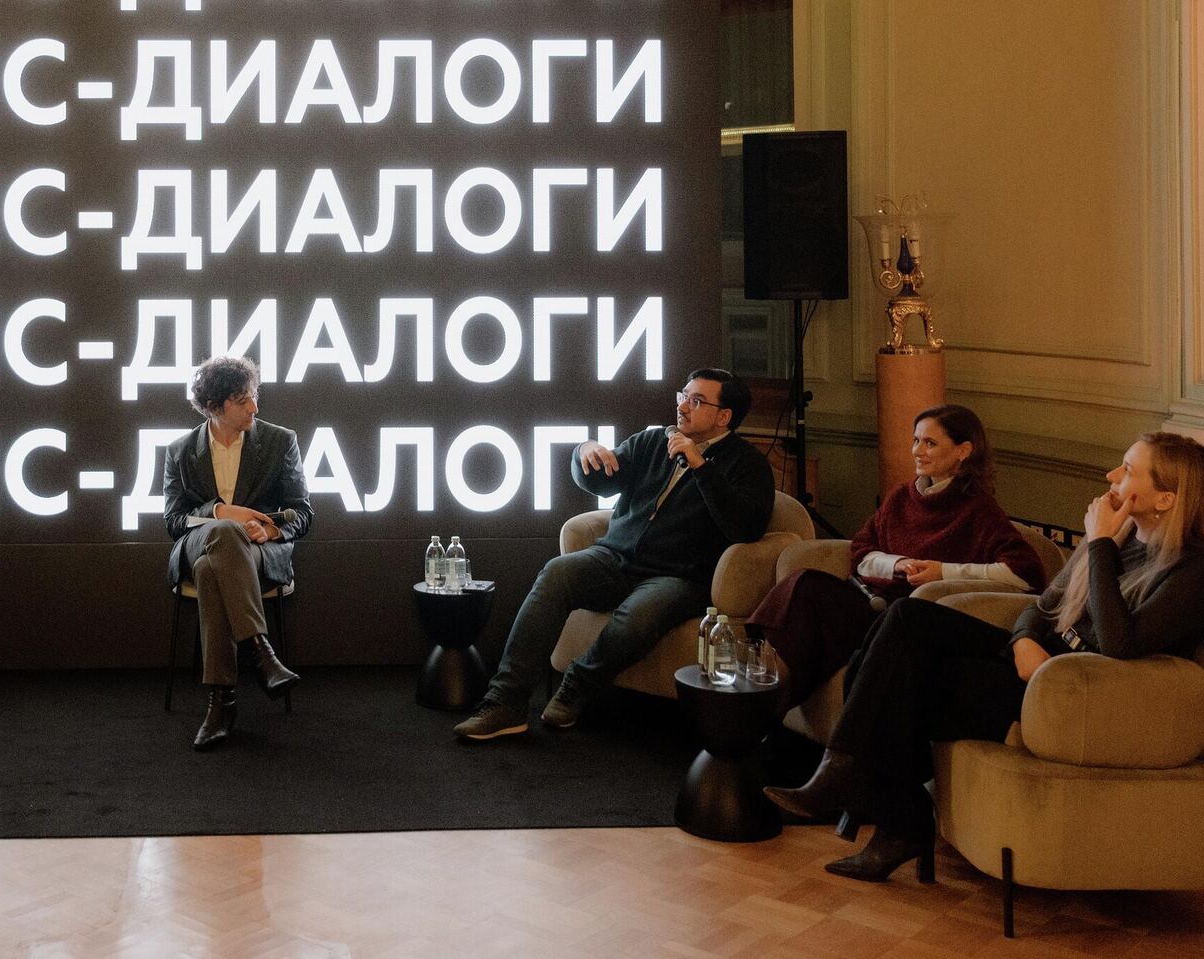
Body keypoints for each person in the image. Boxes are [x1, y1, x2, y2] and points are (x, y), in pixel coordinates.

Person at [766, 431, 1204, 883]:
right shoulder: (1120, 537)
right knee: (904, 620)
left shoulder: (1190, 570)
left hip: (1075, 694)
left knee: (903, 679)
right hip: (1038, 660)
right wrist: (1023, 641)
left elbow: (1118, 643)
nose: (1111, 476)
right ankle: (850, 778)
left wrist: (1100, 547)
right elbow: (1042, 607)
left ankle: (888, 811)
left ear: (1166, 498)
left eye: (1128, 470)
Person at [455, 367, 775, 740]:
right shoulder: (654, 441)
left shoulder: (747, 464)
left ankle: (576, 687)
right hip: (614, 559)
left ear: (724, 417)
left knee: (639, 614)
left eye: (697, 401)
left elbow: (745, 527)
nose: (683, 406)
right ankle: (505, 703)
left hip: (678, 576)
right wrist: (584, 451)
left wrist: (700, 466)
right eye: (683, 396)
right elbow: (601, 480)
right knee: (557, 573)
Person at [748, 404, 1046, 706]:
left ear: (963, 451)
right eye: (916, 440)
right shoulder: (901, 496)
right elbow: (861, 550)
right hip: (867, 599)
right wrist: (897, 564)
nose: (917, 451)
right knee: (803, 584)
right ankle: (758, 695)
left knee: (808, 612)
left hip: (902, 622)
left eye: (930, 443)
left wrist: (943, 571)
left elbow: (1026, 573)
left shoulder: (978, 509)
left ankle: (760, 706)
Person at [162, 354, 312, 751]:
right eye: (242, 400)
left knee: (211, 571)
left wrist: (272, 528)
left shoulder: (280, 441)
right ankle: (261, 653)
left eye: (254, 396)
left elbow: (303, 512)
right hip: (198, 543)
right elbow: (173, 521)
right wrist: (220, 513)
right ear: (214, 406)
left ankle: (222, 703)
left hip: (256, 553)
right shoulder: (180, 450)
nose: (254, 407)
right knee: (224, 534)